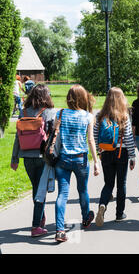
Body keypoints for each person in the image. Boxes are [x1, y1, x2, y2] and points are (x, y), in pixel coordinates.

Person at [54, 85, 99, 243]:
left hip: (63, 159)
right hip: (81, 159)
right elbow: (91, 140)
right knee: (82, 190)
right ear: (83, 98)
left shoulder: (60, 113)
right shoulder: (87, 116)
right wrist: (96, 162)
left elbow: (55, 134)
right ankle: (86, 217)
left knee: (62, 194)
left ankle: (60, 231)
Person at [10, 84, 56, 237]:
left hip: (26, 157)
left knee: (36, 188)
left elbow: (18, 137)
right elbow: (53, 135)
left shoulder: (23, 112)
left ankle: (40, 217)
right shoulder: (49, 112)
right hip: (42, 157)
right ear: (46, 96)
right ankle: (36, 226)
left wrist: (14, 159)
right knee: (40, 191)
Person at [94, 88, 136, 226]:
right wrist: (132, 156)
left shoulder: (100, 116)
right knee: (121, 184)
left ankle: (102, 205)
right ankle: (119, 214)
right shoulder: (124, 116)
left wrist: (99, 152)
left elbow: (95, 136)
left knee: (108, 183)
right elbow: (129, 138)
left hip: (106, 152)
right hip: (121, 153)